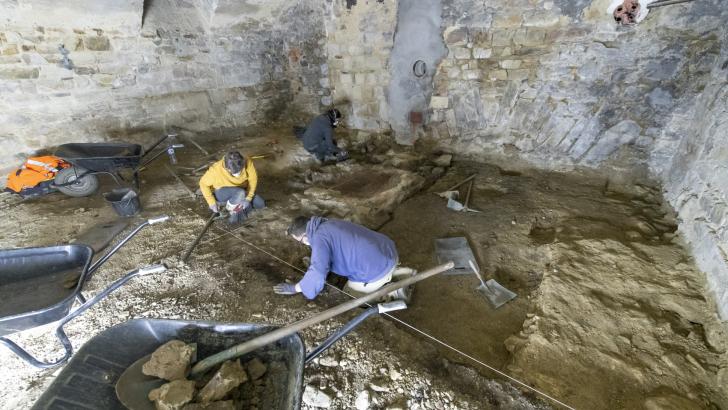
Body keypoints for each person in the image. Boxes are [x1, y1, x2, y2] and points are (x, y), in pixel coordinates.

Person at [274, 216, 413, 300]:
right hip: (388, 250)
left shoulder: (318, 238)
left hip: (375, 268)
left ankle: (394, 293)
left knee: (349, 294)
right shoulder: (328, 223)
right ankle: (401, 272)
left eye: (300, 241)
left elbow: (317, 272)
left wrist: (296, 288)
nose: (303, 243)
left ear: (305, 235)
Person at [199, 151, 265, 224]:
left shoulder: (247, 161)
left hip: (241, 189)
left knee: (260, 204)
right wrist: (211, 202)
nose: (238, 174)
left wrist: (248, 198)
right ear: (228, 169)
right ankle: (228, 209)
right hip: (223, 192)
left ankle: (235, 205)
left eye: (240, 171)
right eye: (235, 173)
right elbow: (203, 183)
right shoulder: (215, 170)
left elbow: (253, 180)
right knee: (240, 193)